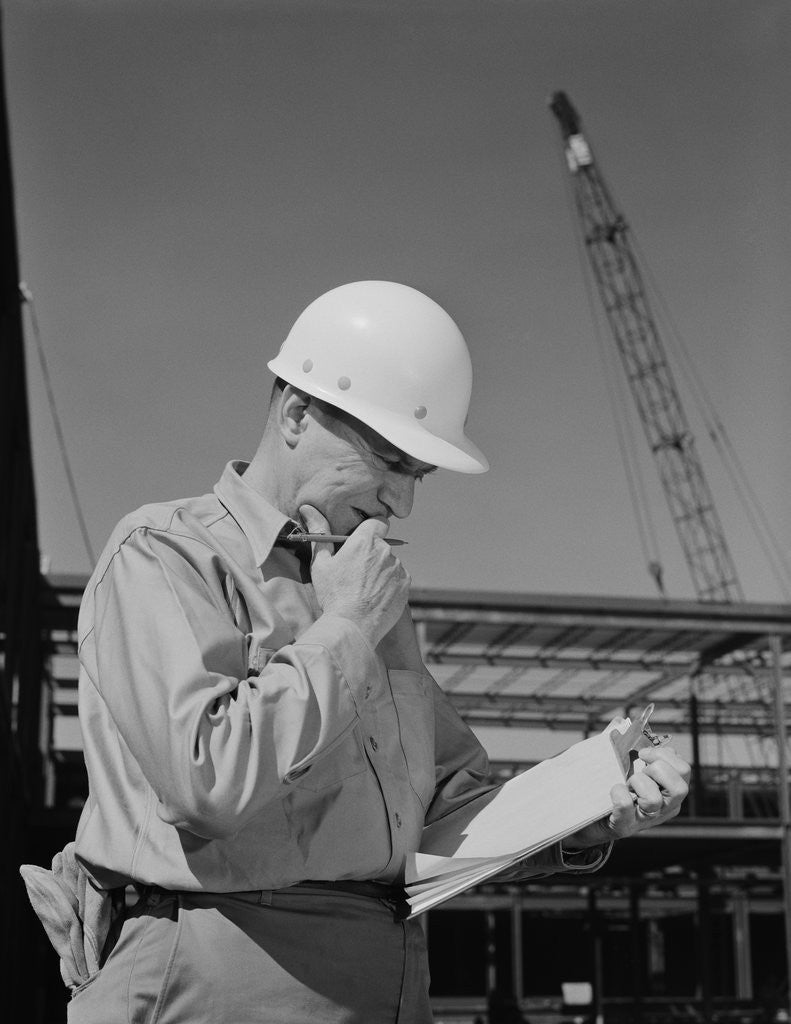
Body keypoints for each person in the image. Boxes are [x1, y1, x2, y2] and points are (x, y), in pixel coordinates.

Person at [22, 281, 690, 1023]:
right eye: (391, 461)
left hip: (388, 978)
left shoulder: (367, 592)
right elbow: (205, 778)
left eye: (418, 476)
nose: (401, 504)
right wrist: (343, 625)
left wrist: (589, 807)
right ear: (298, 413)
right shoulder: (166, 555)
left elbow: (445, 812)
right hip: (212, 975)